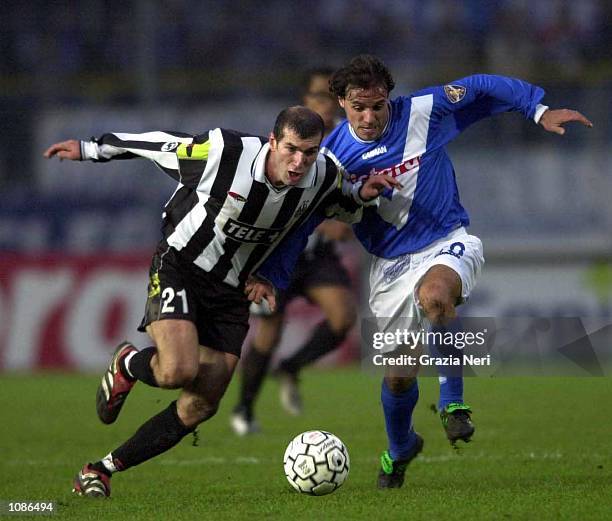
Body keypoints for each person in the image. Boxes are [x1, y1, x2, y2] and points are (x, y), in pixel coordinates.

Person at [253, 55, 593, 489]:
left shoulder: (422, 110)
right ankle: (399, 449)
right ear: (340, 102)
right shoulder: (330, 157)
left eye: (378, 105)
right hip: (389, 266)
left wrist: (538, 109)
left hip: (446, 239)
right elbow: (302, 222)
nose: (371, 115)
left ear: (388, 98)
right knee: (398, 377)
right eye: (359, 106)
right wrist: (274, 275)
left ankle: (453, 405)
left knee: (435, 297)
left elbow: (481, 83)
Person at [43, 106, 399, 497]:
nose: (299, 162)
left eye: (310, 152)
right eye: (292, 149)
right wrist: (91, 149)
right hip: (181, 264)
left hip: (233, 290)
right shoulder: (224, 152)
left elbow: (340, 202)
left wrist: (361, 194)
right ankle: (128, 362)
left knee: (201, 404)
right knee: (178, 370)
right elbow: (159, 143)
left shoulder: (323, 173)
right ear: (273, 140)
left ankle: (101, 470)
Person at [231, 68, 357, 435]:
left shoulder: (348, 142)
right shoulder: (291, 142)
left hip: (317, 256)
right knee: (269, 332)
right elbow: (276, 197)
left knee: (343, 316)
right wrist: (323, 221)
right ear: (305, 100)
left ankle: (290, 368)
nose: (326, 105)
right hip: (276, 253)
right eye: (318, 96)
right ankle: (244, 408)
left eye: (333, 97)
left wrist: (349, 219)